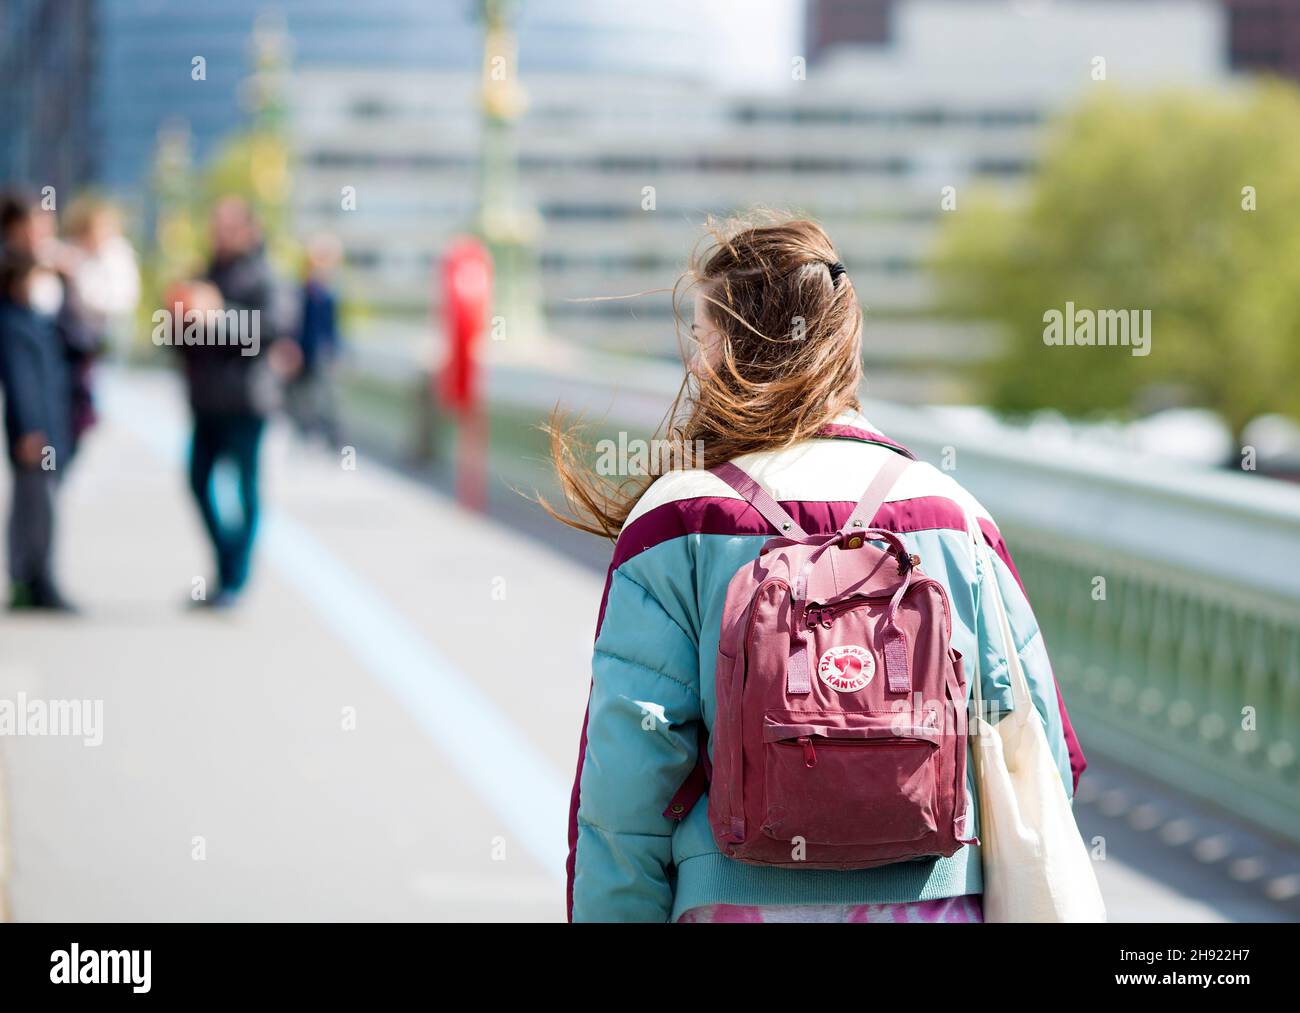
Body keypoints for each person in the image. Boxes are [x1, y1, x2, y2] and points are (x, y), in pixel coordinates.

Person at [549, 215, 1087, 923]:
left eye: (702, 337)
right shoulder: (953, 515)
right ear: (845, 345)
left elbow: (625, 785)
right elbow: (1038, 747)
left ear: (725, 353)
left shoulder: (678, 520)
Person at [175, 196, 293, 608]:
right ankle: (226, 565)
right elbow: (182, 342)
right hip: (205, 402)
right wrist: (179, 318)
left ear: (248, 231)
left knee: (245, 490)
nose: (219, 235)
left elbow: (272, 328)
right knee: (197, 482)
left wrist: (219, 314)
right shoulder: (204, 273)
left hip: (247, 401)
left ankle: (235, 579)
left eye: (227, 227)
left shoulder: (265, 275)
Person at [0, 251, 75, 611]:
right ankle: (32, 579)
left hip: (46, 428)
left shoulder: (36, 321)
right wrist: (30, 429)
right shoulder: (13, 324)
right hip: (34, 434)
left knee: (38, 503)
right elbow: (20, 381)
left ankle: (32, 577)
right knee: (36, 505)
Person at [286, 233, 344, 446]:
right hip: (304, 351)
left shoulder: (328, 292)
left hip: (321, 353)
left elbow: (332, 328)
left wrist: (336, 352)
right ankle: (306, 432)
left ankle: (330, 438)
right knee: (302, 398)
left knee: (325, 397)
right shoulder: (304, 289)